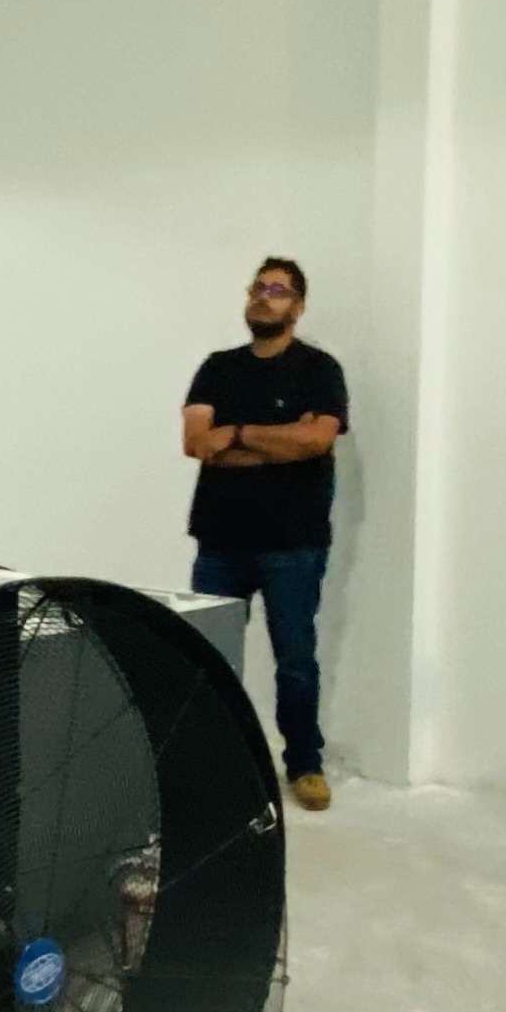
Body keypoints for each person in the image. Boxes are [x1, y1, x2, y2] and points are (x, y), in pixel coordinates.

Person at [182, 256, 350, 811]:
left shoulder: (320, 370)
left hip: (294, 543)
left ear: (298, 307)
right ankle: (207, 764)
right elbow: (197, 444)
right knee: (208, 657)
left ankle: (303, 764)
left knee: (296, 659)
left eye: (279, 290)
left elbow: (317, 442)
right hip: (220, 540)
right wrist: (280, 442)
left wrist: (238, 434)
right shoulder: (217, 367)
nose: (264, 296)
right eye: (258, 286)